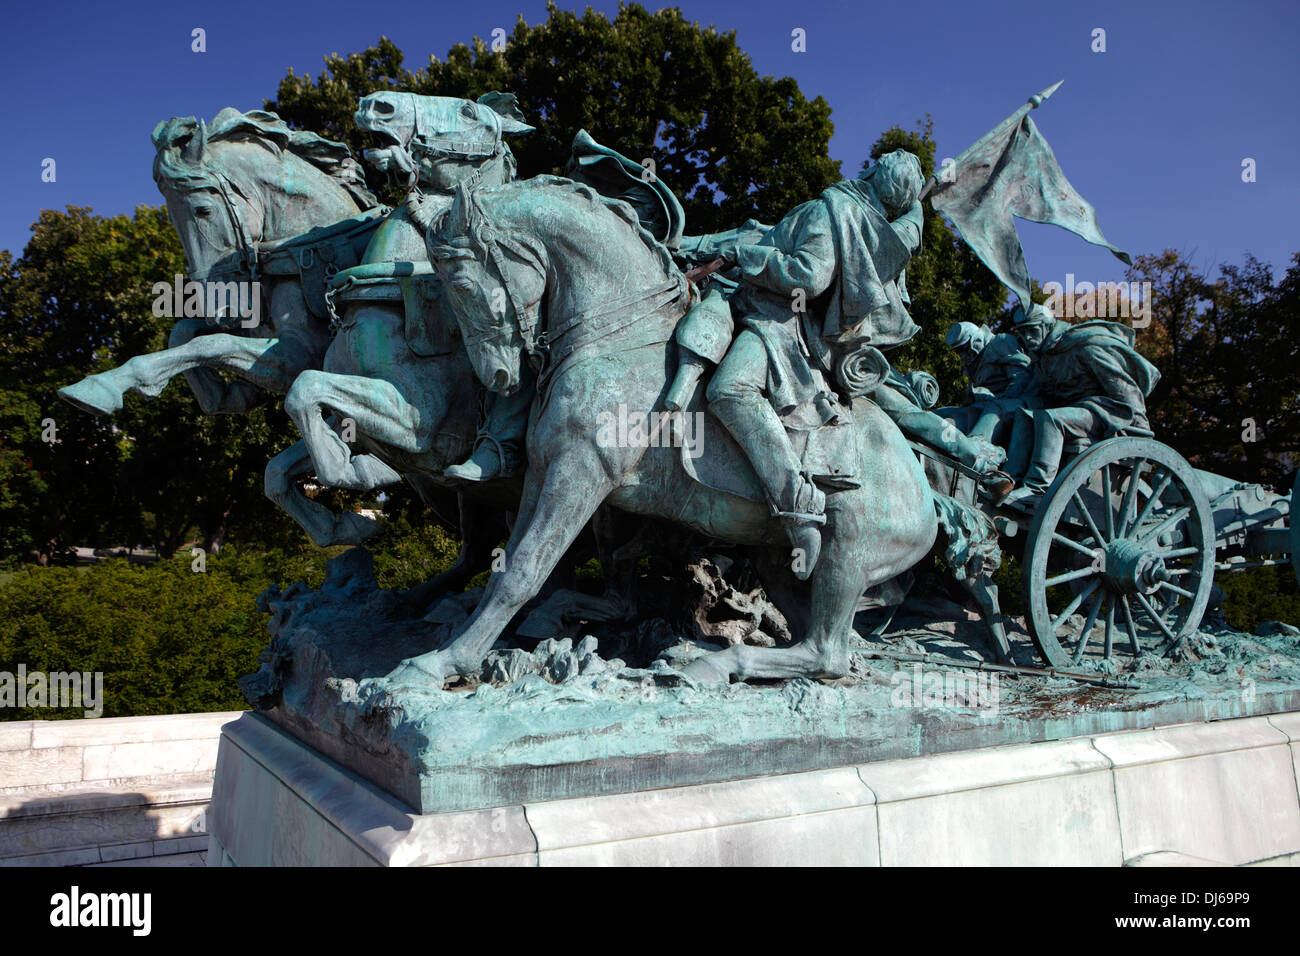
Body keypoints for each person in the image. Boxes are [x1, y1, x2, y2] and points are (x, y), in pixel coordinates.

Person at [691, 149, 926, 578]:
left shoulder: (832, 210)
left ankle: (799, 508)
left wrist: (746, 256)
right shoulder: (852, 215)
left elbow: (808, 277)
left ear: (871, 170)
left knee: (730, 390)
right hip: (752, 307)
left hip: (777, 323)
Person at [1000, 303, 1160, 511]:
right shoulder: (1044, 357)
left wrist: (1140, 433)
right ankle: (1007, 481)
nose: (1027, 338)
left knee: (1051, 418)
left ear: (1048, 326)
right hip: (1076, 410)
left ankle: (1037, 488)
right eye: (1022, 332)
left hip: (1106, 412)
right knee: (1025, 416)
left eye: (1032, 330)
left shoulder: (1086, 345)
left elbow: (1124, 387)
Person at [935, 321, 1034, 446]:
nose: (963, 355)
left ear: (975, 340)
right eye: (959, 351)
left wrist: (994, 398)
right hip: (980, 407)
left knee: (973, 419)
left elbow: (1022, 378)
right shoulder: (972, 361)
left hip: (1003, 407)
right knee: (941, 415)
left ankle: (975, 451)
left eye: (964, 349)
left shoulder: (1001, 342)